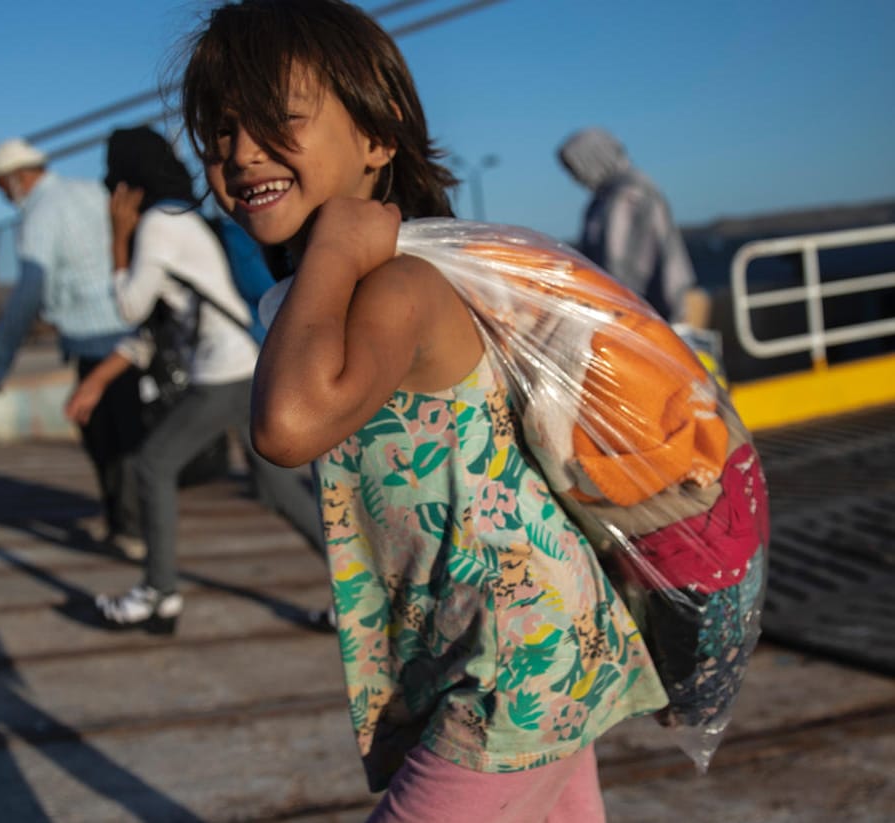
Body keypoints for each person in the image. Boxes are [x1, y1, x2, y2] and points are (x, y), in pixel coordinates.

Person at [179, 2, 668, 820]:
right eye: (220, 132)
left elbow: (286, 427)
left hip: (512, 661)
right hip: (498, 645)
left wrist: (336, 244)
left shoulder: (400, 287)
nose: (239, 153)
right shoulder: (325, 296)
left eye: (274, 123)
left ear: (377, 137)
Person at [67, 126, 328, 634]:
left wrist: (117, 239)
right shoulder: (180, 217)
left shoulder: (159, 226)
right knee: (277, 488)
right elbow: (156, 327)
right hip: (244, 364)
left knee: (151, 464)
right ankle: (358, 592)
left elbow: (128, 306)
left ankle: (159, 594)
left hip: (226, 370)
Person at [0, 137, 145, 558]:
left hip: (94, 342)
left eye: (0, 185)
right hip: (129, 325)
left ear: (17, 177)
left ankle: (131, 530)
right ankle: (128, 524)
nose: (2, 194)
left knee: (108, 443)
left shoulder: (39, 213)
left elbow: (29, 291)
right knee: (125, 435)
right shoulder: (90, 190)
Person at [558, 127, 710, 328]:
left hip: (646, 314)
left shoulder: (628, 195)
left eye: (576, 167)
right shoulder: (606, 197)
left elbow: (622, 268)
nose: (576, 177)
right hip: (633, 310)